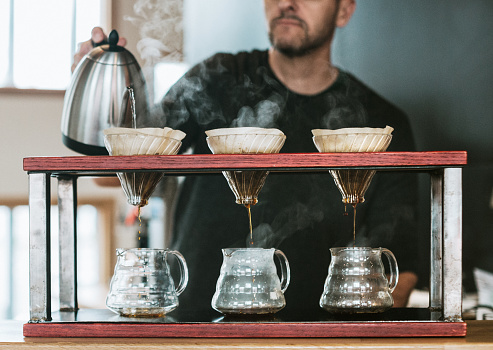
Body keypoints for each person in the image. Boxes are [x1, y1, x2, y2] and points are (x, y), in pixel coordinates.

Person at [76, 0, 419, 315]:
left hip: (312, 338)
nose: (287, 3)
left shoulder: (380, 123)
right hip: (196, 331)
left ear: (344, 10)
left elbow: (398, 274)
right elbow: (110, 174)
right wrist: (102, 94)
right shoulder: (215, 78)